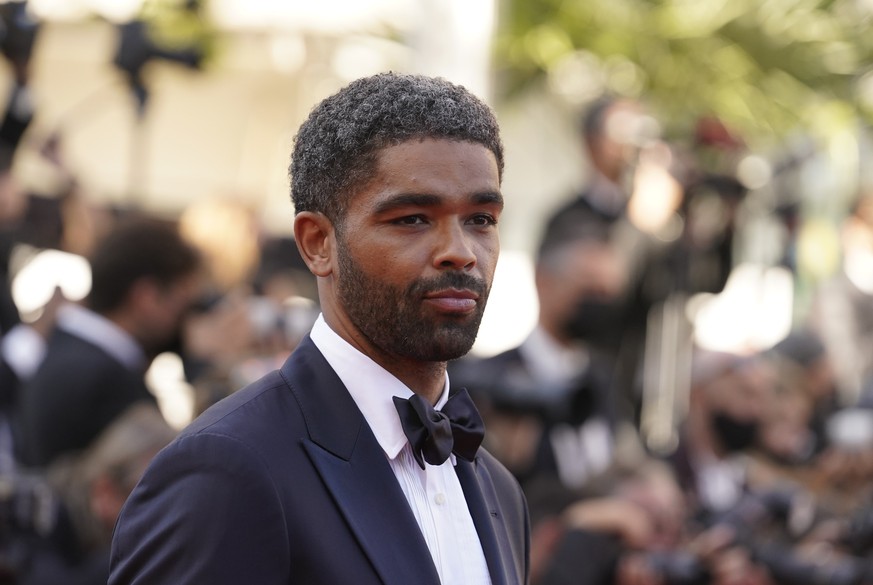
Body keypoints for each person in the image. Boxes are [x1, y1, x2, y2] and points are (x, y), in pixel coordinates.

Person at [109, 72, 529, 585]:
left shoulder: (500, 492)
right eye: (413, 219)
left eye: (482, 219)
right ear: (317, 243)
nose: (461, 251)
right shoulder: (228, 468)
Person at [13, 216, 202, 468]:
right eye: (182, 301)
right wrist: (204, 365)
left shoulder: (70, 349)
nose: (184, 317)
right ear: (146, 298)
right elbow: (172, 471)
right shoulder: (107, 379)